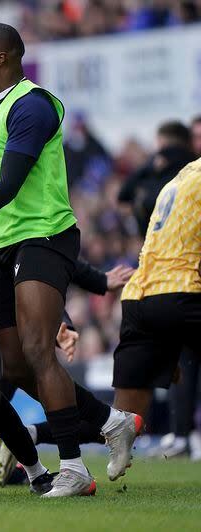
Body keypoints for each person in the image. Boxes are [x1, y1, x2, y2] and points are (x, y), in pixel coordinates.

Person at [0, 23, 141, 496]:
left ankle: (72, 468)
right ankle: (111, 421)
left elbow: (8, 188)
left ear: (0, 58)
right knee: (16, 369)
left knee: (39, 351)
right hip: (5, 247)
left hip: (43, 238)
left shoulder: (33, 105)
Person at [0, 220, 134, 486]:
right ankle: (27, 447)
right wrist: (99, 280)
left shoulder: (13, 262)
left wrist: (62, 324)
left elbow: (41, 277)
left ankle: (25, 458)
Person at [110, 157, 201, 422]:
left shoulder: (183, 174)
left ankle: (33, 434)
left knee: (124, 419)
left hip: (137, 295)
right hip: (179, 291)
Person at [118, 121, 196, 234]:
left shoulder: (155, 171)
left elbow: (124, 194)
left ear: (162, 142)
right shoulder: (193, 163)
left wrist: (149, 165)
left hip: (160, 240)